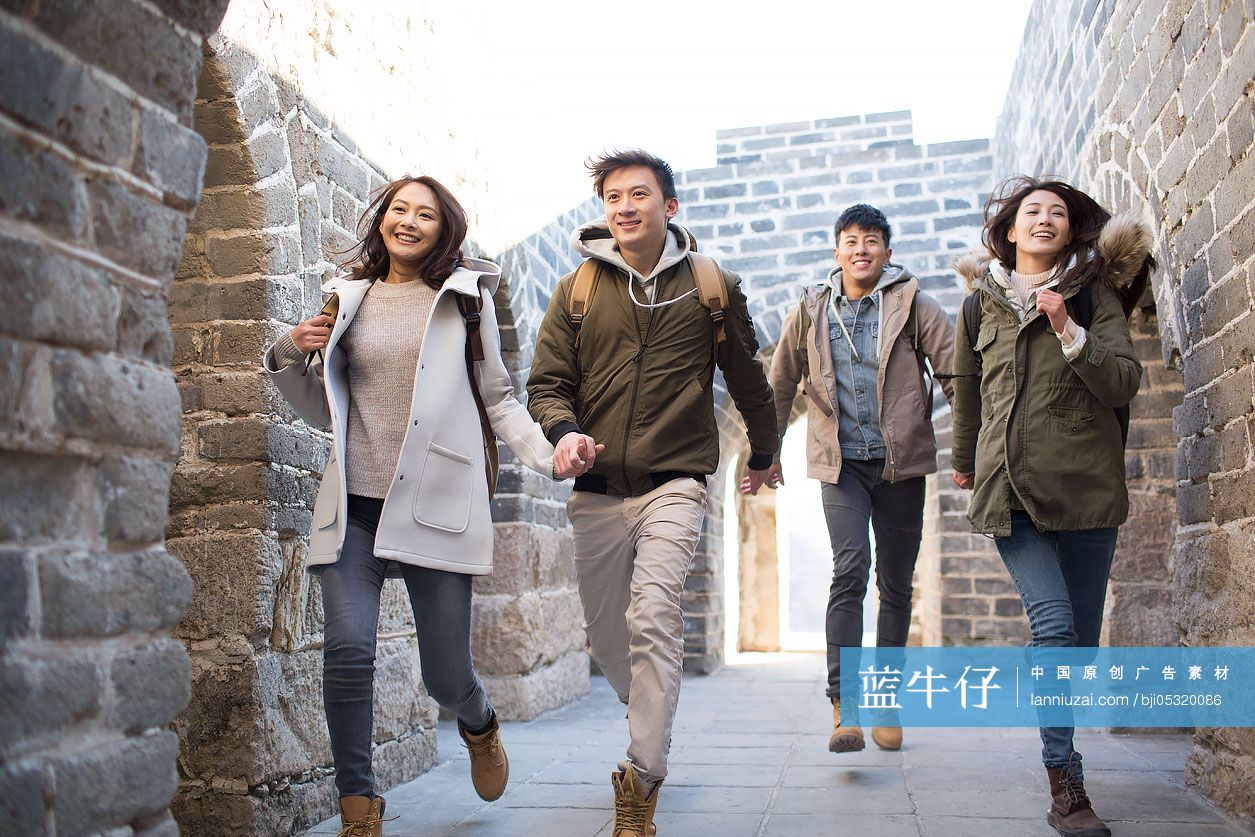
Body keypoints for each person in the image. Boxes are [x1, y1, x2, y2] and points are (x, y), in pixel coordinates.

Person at [263, 176, 589, 836]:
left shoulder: (464, 300)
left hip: (435, 504)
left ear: (445, 229)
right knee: (348, 651)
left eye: (426, 215)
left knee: (446, 676)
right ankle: (359, 807)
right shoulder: (345, 297)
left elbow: (498, 398)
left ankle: (478, 720)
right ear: (381, 218)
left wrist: (547, 452)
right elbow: (321, 407)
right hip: (353, 505)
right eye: (399, 210)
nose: (408, 222)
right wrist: (287, 352)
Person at [526, 149, 779, 837]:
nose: (624, 206)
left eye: (639, 194)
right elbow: (546, 380)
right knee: (609, 638)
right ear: (604, 210)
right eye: (613, 196)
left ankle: (639, 775)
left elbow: (749, 378)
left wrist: (763, 449)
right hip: (598, 486)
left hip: (675, 477)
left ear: (669, 207)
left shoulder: (709, 284)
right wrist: (565, 431)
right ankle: (648, 713)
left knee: (653, 615)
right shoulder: (578, 287)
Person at [950, 176, 1154, 837]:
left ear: (1068, 231)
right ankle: (1065, 785)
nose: (1043, 219)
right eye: (1030, 211)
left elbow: (1123, 379)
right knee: (1055, 629)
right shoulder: (979, 303)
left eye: (1056, 213)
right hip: (1009, 492)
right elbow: (968, 389)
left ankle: (1057, 723)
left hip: (1085, 488)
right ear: (1008, 230)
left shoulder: (1092, 297)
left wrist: (1067, 327)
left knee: (1076, 647)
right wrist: (963, 461)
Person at [766, 203, 956, 755]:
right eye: (851, 241)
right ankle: (844, 704)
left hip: (901, 466)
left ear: (887, 252)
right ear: (837, 251)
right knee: (850, 569)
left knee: (896, 585)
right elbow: (780, 385)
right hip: (841, 466)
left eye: (872, 240)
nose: (861, 249)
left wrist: (968, 448)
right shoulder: (809, 311)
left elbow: (955, 373)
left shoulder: (916, 305)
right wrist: (766, 452)